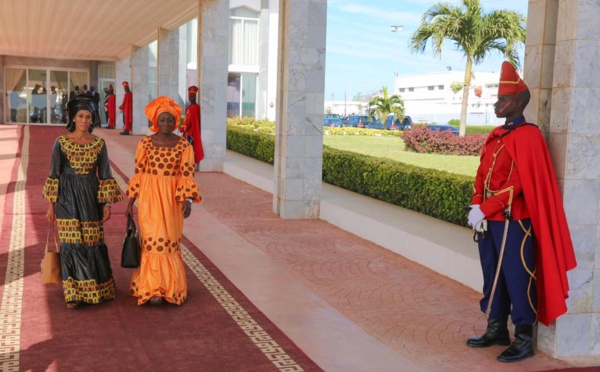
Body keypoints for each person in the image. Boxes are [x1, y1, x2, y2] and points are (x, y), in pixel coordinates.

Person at [466, 61, 577, 363]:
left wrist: (486, 208)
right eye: (497, 100)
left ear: (515, 102)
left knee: (518, 277)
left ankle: (523, 338)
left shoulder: (528, 136)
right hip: (489, 221)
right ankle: (496, 328)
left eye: (501, 100)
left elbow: (518, 185)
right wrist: (477, 204)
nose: (496, 104)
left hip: (515, 224)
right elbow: (482, 174)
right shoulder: (496, 136)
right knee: (494, 276)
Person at [43, 95, 123, 309]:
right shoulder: (60, 142)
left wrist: (107, 204)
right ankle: (73, 293)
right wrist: (51, 205)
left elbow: (105, 174)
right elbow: (54, 174)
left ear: (92, 119)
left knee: (91, 241)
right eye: (80, 116)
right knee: (71, 243)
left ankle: (96, 287)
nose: (84, 120)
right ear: (73, 117)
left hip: (90, 197)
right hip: (66, 198)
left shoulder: (99, 143)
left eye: (88, 116)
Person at [125, 96, 201, 306]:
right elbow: (139, 172)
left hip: (172, 200)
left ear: (176, 121)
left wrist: (188, 201)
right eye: (163, 119)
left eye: (170, 120)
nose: (166, 124)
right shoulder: (145, 143)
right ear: (156, 121)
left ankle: (170, 288)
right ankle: (151, 288)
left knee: (168, 242)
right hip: (149, 199)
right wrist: (131, 202)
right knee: (151, 241)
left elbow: (187, 174)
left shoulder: (184, 146)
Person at [179, 85, 204, 164]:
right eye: (189, 96)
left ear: (195, 97)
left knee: (188, 149)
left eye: (192, 96)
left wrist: (182, 128)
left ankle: (189, 163)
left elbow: (188, 121)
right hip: (189, 132)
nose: (190, 98)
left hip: (190, 133)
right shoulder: (194, 107)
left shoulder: (193, 108)